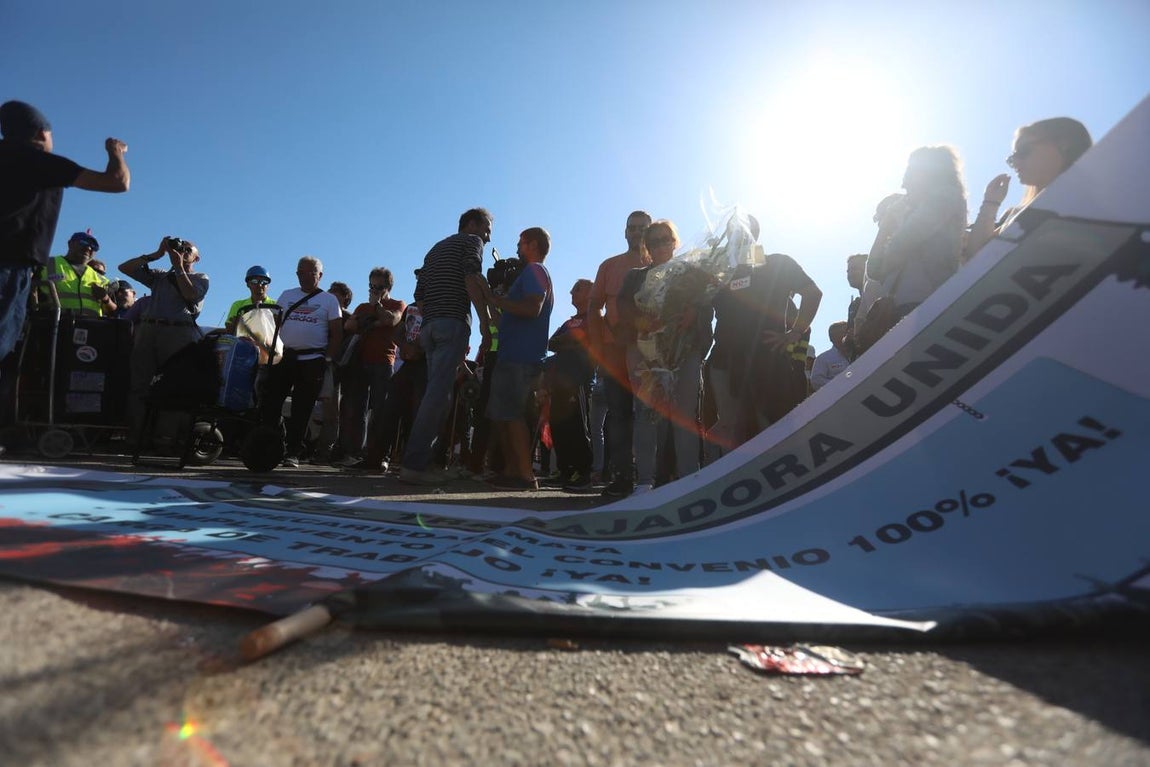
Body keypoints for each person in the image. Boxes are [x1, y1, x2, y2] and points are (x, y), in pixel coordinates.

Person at [0, 99, 129, 377]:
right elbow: (117, 182)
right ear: (40, 134)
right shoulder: (38, 161)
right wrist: (115, 152)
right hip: (9, 268)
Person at [398, 208, 494, 486]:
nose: (487, 238)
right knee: (438, 396)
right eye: (487, 229)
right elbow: (472, 278)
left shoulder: (435, 249)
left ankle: (426, 460)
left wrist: (432, 320)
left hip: (430, 327)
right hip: (451, 323)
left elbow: (420, 295)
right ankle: (414, 465)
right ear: (473, 224)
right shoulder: (470, 242)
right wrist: (486, 322)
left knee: (440, 396)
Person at [616, 220, 711, 494]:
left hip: (686, 350)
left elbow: (708, 307)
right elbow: (622, 307)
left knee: (684, 415)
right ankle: (644, 482)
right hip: (645, 352)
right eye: (653, 241)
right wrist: (641, 320)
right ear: (646, 246)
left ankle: (689, 482)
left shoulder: (691, 273)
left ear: (675, 241)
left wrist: (694, 312)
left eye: (664, 239)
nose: (659, 245)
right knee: (646, 413)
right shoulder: (635, 276)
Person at [705, 253, 821, 462]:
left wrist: (795, 333)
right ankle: (733, 476)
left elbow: (813, 293)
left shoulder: (778, 263)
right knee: (730, 424)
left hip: (767, 359)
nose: (738, 239)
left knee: (771, 422)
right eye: (733, 234)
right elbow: (698, 302)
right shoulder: (722, 271)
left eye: (743, 232)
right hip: (724, 358)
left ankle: (783, 472)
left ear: (754, 234)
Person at [117, 236, 210, 443]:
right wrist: (156, 254)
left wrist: (178, 268)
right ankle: (136, 437)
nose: (182, 252)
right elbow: (124, 268)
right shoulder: (160, 277)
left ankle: (165, 438)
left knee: (173, 385)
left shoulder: (201, 278)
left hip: (178, 334)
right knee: (139, 385)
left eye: (188, 250)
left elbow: (191, 295)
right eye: (180, 248)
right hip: (149, 330)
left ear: (197, 258)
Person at [964, 117, 1093, 263]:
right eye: (1011, 159)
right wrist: (990, 203)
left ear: (1063, 145)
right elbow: (976, 258)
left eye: (1023, 151)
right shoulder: (1014, 215)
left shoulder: (1089, 209)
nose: (1016, 162)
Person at [588, 210, 652, 498]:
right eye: (632, 227)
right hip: (615, 350)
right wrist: (598, 347)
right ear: (625, 232)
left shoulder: (662, 264)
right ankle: (623, 476)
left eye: (642, 228)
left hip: (654, 349)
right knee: (619, 413)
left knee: (653, 412)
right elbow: (594, 308)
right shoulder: (609, 266)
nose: (637, 232)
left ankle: (659, 475)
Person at [483, 227, 554, 490]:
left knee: (512, 415)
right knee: (503, 414)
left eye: (520, 242)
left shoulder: (535, 271)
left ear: (532, 244)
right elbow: (510, 317)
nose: (516, 247)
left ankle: (525, 474)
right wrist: (493, 303)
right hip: (512, 355)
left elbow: (532, 308)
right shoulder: (530, 274)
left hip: (521, 358)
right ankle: (513, 470)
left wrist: (497, 299)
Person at [865, 146, 967, 322]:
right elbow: (874, 270)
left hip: (928, 304)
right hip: (902, 307)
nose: (903, 184)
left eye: (909, 173)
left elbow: (902, 243)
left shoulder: (945, 198)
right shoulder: (908, 212)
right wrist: (885, 228)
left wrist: (891, 240)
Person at [260, 256, 343, 468]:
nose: (304, 277)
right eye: (300, 273)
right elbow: (273, 325)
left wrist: (328, 359)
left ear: (320, 275)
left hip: (313, 360)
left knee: (302, 407)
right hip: (285, 357)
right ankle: (269, 446)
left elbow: (336, 333)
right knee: (271, 402)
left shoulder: (329, 301)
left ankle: (294, 451)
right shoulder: (287, 296)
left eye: (310, 273)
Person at [336, 267, 405, 466]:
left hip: (383, 363)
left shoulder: (397, 304)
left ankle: (377, 453)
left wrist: (377, 309)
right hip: (360, 362)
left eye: (379, 287)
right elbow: (349, 326)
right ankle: (355, 452)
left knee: (380, 410)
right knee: (357, 410)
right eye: (371, 286)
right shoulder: (362, 307)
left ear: (388, 287)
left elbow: (392, 320)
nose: (374, 290)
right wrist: (373, 319)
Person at [543, 278, 595, 491]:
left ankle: (583, 472)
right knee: (559, 425)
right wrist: (570, 339)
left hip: (579, 380)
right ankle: (564, 470)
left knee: (576, 426)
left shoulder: (594, 318)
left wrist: (570, 340)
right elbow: (551, 342)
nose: (572, 292)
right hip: (559, 381)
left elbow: (586, 340)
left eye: (578, 289)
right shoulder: (568, 322)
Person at [33, 230, 115, 316]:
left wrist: (105, 299)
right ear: (70, 243)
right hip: (53, 324)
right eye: (83, 242)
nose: (88, 248)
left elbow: (114, 311)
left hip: (91, 327)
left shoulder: (102, 280)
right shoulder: (45, 264)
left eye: (93, 247)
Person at [810, 321, 850, 391]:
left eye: (847, 332)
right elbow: (816, 381)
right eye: (842, 332)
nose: (846, 335)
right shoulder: (823, 359)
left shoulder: (859, 353)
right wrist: (839, 385)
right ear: (832, 338)